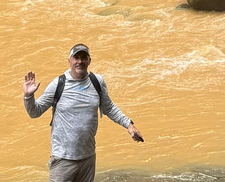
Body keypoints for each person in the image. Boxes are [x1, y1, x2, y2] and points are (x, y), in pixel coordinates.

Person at [23, 43, 144, 182]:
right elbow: (34, 112)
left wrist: (129, 125)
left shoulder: (97, 81)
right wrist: (28, 96)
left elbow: (109, 108)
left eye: (83, 57)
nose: (80, 61)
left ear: (89, 61)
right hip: (63, 160)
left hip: (88, 158)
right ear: (69, 61)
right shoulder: (58, 84)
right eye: (76, 58)